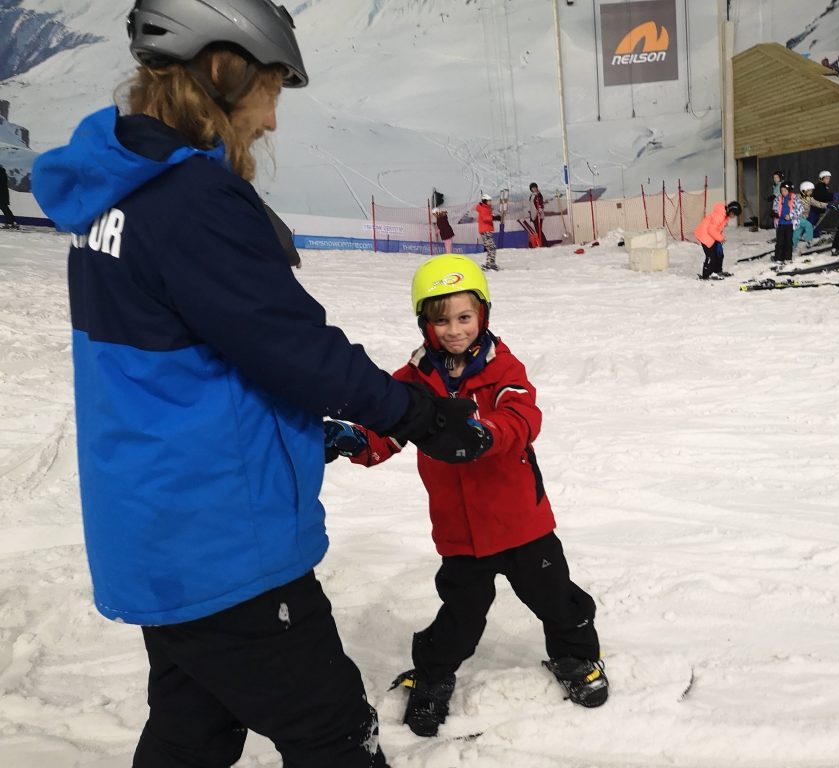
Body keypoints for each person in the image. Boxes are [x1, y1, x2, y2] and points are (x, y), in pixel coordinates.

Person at [30, 2, 492, 766]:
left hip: (155, 530)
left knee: (193, 731)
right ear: (222, 68)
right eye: (271, 90)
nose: (272, 120)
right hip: (222, 541)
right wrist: (419, 413)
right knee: (335, 736)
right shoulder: (189, 200)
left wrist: (304, 429)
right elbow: (290, 348)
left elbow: (189, 360)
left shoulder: (113, 193)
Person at [327, 255, 608, 737]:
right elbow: (388, 431)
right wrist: (355, 439)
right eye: (441, 320)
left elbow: (522, 417)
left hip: (520, 522)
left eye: (464, 317)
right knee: (460, 614)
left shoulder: (503, 368)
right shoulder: (412, 381)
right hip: (460, 532)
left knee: (555, 597)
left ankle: (576, 656)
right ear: (424, 322)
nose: (455, 330)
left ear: (483, 314)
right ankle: (433, 674)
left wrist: (486, 433)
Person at [695, 200, 741, 279]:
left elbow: (717, 229)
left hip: (712, 236)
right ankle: (706, 275)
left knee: (719, 254)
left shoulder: (724, 215)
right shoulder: (719, 215)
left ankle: (717, 271)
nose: (734, 217)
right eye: (734, 214)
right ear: (730, 211)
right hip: (705, 236)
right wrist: (720, 238)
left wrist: (719, 237)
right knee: (711, 256)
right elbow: (711, 230)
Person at [772, 181, 802, 264]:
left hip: (790, 224)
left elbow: (800, 209)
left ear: (789, 190)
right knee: (780, 241)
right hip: (780, 224)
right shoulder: (778, 198)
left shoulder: (795, 198)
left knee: (788, 241)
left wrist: (790, 215)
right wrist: (775, 214)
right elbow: (775, 208)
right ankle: (778, 257)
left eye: (785, 190)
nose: (783, 192)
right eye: (782, 190)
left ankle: (788, 257)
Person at [476, 193, 500, 270]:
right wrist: (494, 218)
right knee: (491, 247)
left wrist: (495, 217)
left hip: (487, 230)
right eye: (489, 201)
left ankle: (491, 263)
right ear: (485, 201)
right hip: (485, 230)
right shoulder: (483, 208)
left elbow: (488, 216)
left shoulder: (485, 208)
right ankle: (489, 264)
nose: (490, 202)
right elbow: (485, 218)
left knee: (491, 247)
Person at [793, 181, 820, 250]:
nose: (811, 192)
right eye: (809, 191)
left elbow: (817, 203)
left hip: (803, 218)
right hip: (796, 218)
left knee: (797, 233)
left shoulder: (809, 198)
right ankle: (809, 241)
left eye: (811, 191)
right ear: (804, 190)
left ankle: (792, 247)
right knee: (809, 225)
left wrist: (827, 205)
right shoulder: (796, 197)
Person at [528, 182, 548, 246]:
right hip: (533, 215)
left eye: (535, 187)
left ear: (537, 187)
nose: (534, 189)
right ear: (531, 189)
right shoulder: (532, 196)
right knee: (537, 231)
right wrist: (530, 213)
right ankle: (542, 243)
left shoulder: (538, 195)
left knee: (539, 230)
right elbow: (531, 205)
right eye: (532, 188)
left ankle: (544, 244)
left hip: (538, 215)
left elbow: (540, 204)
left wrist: (539, 210)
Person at [0, 164, 17, 229]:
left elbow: (1, 184)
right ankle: (12, 222)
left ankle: (11, 222)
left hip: (2, 194)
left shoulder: (1, 172)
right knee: (5, 208)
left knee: (5, 208)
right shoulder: (2, 172)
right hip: (3, 194)